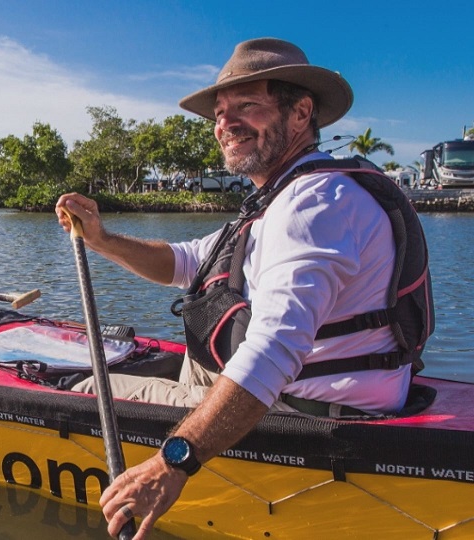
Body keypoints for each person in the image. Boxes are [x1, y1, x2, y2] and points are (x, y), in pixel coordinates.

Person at [55, 38, 432, 538]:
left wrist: (173, 462)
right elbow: (188, 262)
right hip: (328, 389)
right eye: (220, 113)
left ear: (301, 113)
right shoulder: (292, 193)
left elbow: (274, 350)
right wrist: (102, 239)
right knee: (182, 359)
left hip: (305, 411)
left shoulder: (308, 204)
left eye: (246, 107)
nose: (224, 125)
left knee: (80, 385)